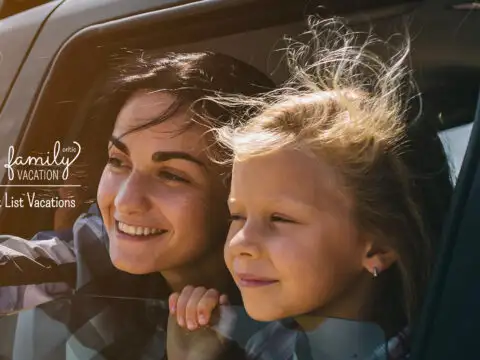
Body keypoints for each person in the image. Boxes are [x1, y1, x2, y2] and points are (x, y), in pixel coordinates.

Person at [169, 18, 454, 360]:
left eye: (280, 218)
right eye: (237, 215)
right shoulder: (270, 345)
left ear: (377, 244)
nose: (241, 242)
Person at [0, 51, 275, 359]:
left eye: (171, 175)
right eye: (118, 161)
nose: (125, 201)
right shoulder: (94, 250)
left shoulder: (289, 317)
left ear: (240, 192)